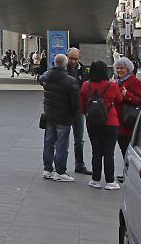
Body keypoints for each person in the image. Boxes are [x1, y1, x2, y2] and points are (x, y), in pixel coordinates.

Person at [80, 60, 123, 190]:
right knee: (109, 153)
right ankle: (110, 181)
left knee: (96, 151)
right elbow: (120, 100)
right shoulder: (112, 86)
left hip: (93, 123)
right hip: (111, 122)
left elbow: (82, 106)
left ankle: (96, 180)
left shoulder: (85, 86)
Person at [39, 53, 79, 182]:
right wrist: (74, 114)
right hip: (64, 116)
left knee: (49, 142)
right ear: (65, 64)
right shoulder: (70, 81)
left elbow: (41, 79)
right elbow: (75, 102)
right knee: (62, 144)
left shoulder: (46, 77)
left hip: (49, 115)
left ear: (54, 63)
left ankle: (47, 169)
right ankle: (60, 171)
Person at [113, 57, 141, 182]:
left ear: (128, 69)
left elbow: (140, 100)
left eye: (122, 68)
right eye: (117, 68)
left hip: (128, 121)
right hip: (119, 120)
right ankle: (127, 174)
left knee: (128, 149)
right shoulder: (117, 81)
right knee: (123, 149)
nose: (119, 70)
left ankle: (130, 176)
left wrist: (127, 95)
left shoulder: (135, 82)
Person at [66, 47, 91, 175]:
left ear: (79, 58)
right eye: (71, 58)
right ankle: (59, 166)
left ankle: (79, 164)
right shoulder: (62, 69)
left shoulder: (84, 70)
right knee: (62, 138)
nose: (73, 61)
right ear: (67, 57)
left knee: (79, 139)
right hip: (64, 108)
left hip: (78, 109)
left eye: (76, 59)